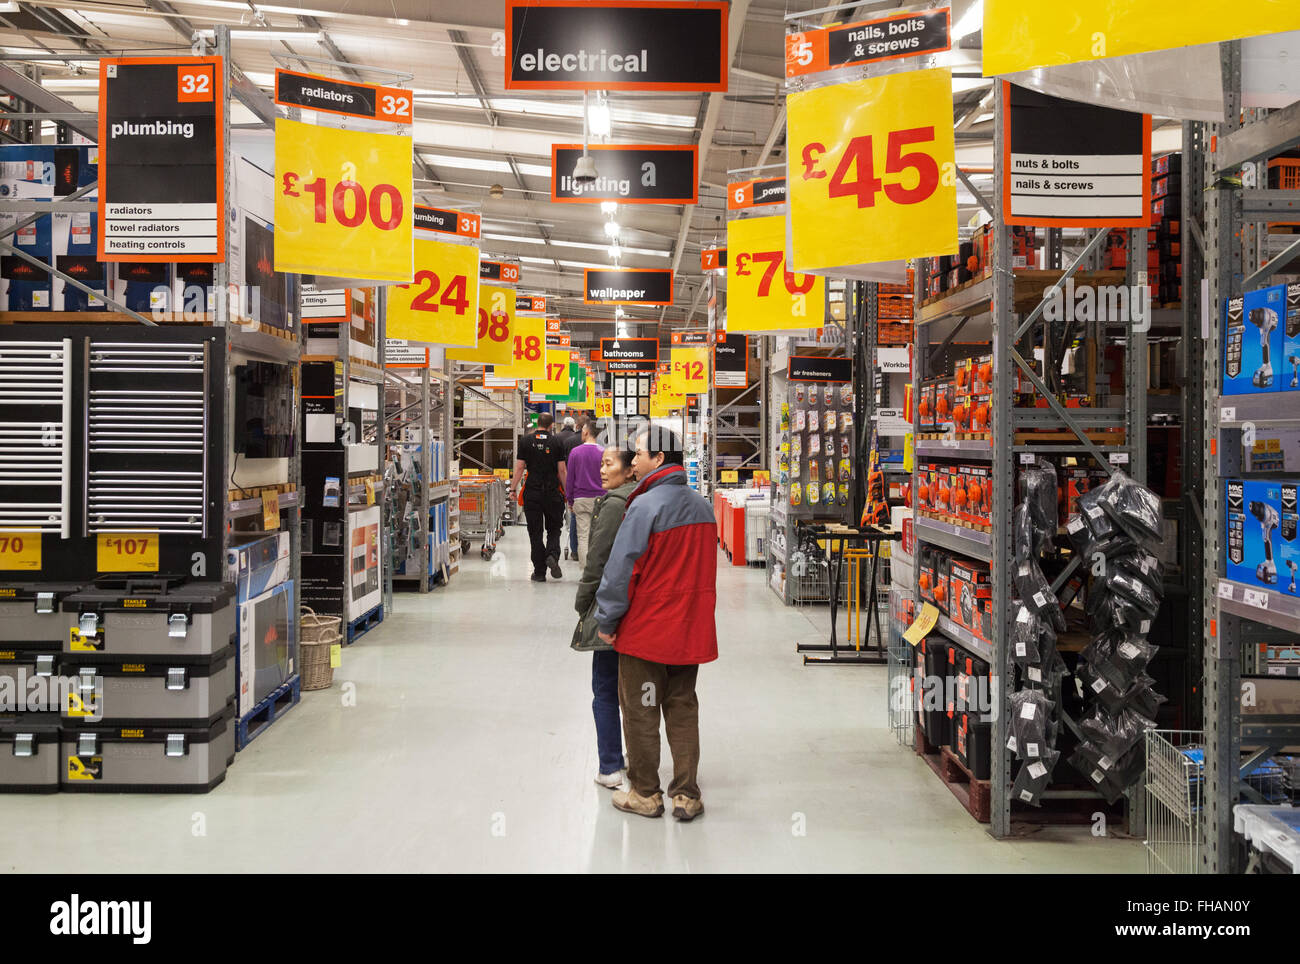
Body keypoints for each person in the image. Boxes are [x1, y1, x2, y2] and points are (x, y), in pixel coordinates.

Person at [594, 427, 718, 821]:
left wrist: (607, 619)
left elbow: (621, 570)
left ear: (660, 459)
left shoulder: (644, 507)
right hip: (688, 631)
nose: (634, 460)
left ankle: (645, 793)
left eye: (641, 453)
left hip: (647, 634)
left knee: (643, 708)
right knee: (682, 706)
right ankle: (685, 794)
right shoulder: (702, 507)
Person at [571, 445, 638, 788]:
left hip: (611, 611)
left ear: (629, 470)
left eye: (609, 464)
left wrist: (584, 604)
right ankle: (634, 761)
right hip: (639, 610)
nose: (602, 469)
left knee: (605, 688)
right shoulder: (643, 499)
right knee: (638, 691)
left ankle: (610, 766)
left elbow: (596, 561)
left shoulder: (614, 505)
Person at [509, 412, 567, 582]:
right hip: (552, 492)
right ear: (551, 425)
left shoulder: (526, 441)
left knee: (535, 532)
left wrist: (512, 488)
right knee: (554, 529)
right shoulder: (557, 442)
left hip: (532, 492)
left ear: (537, 423)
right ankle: (552, 556)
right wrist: (568, 492)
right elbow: (562, 471)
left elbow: (520, 468)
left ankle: (539, 572)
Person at [566, 418, 605, 562]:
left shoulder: (575, 452)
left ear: (587, 432)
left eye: (582, 431)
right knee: (598, 537)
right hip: (601, 499)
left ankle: (585, 573)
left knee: (583, 536)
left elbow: (570, 479)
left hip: (580, 499)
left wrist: (570, 500)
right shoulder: (604, 452)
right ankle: (596, 571)